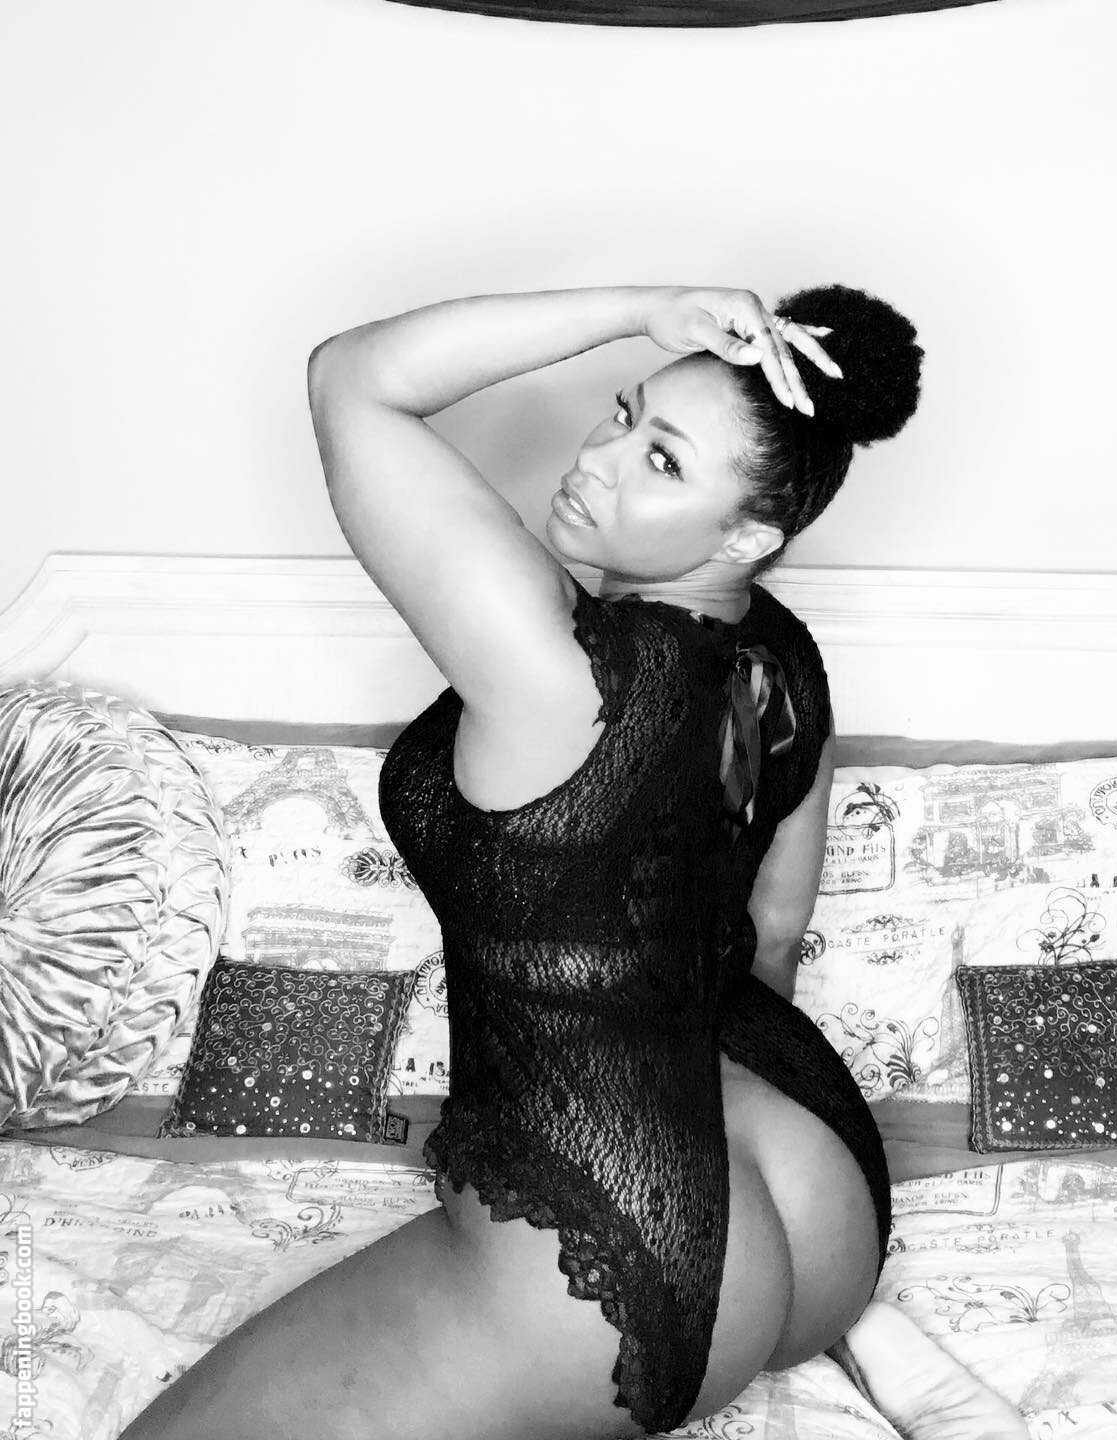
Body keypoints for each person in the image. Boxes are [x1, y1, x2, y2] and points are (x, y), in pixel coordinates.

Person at [118, 283, 938, 1440]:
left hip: (611, 1267)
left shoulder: (558, 671)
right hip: (824, 1205)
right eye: (622, 414)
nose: (597, 460)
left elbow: (353, 380)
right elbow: (775, 928)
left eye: (661, 461)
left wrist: (641, 307)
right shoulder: (780, 658)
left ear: (747, 535)